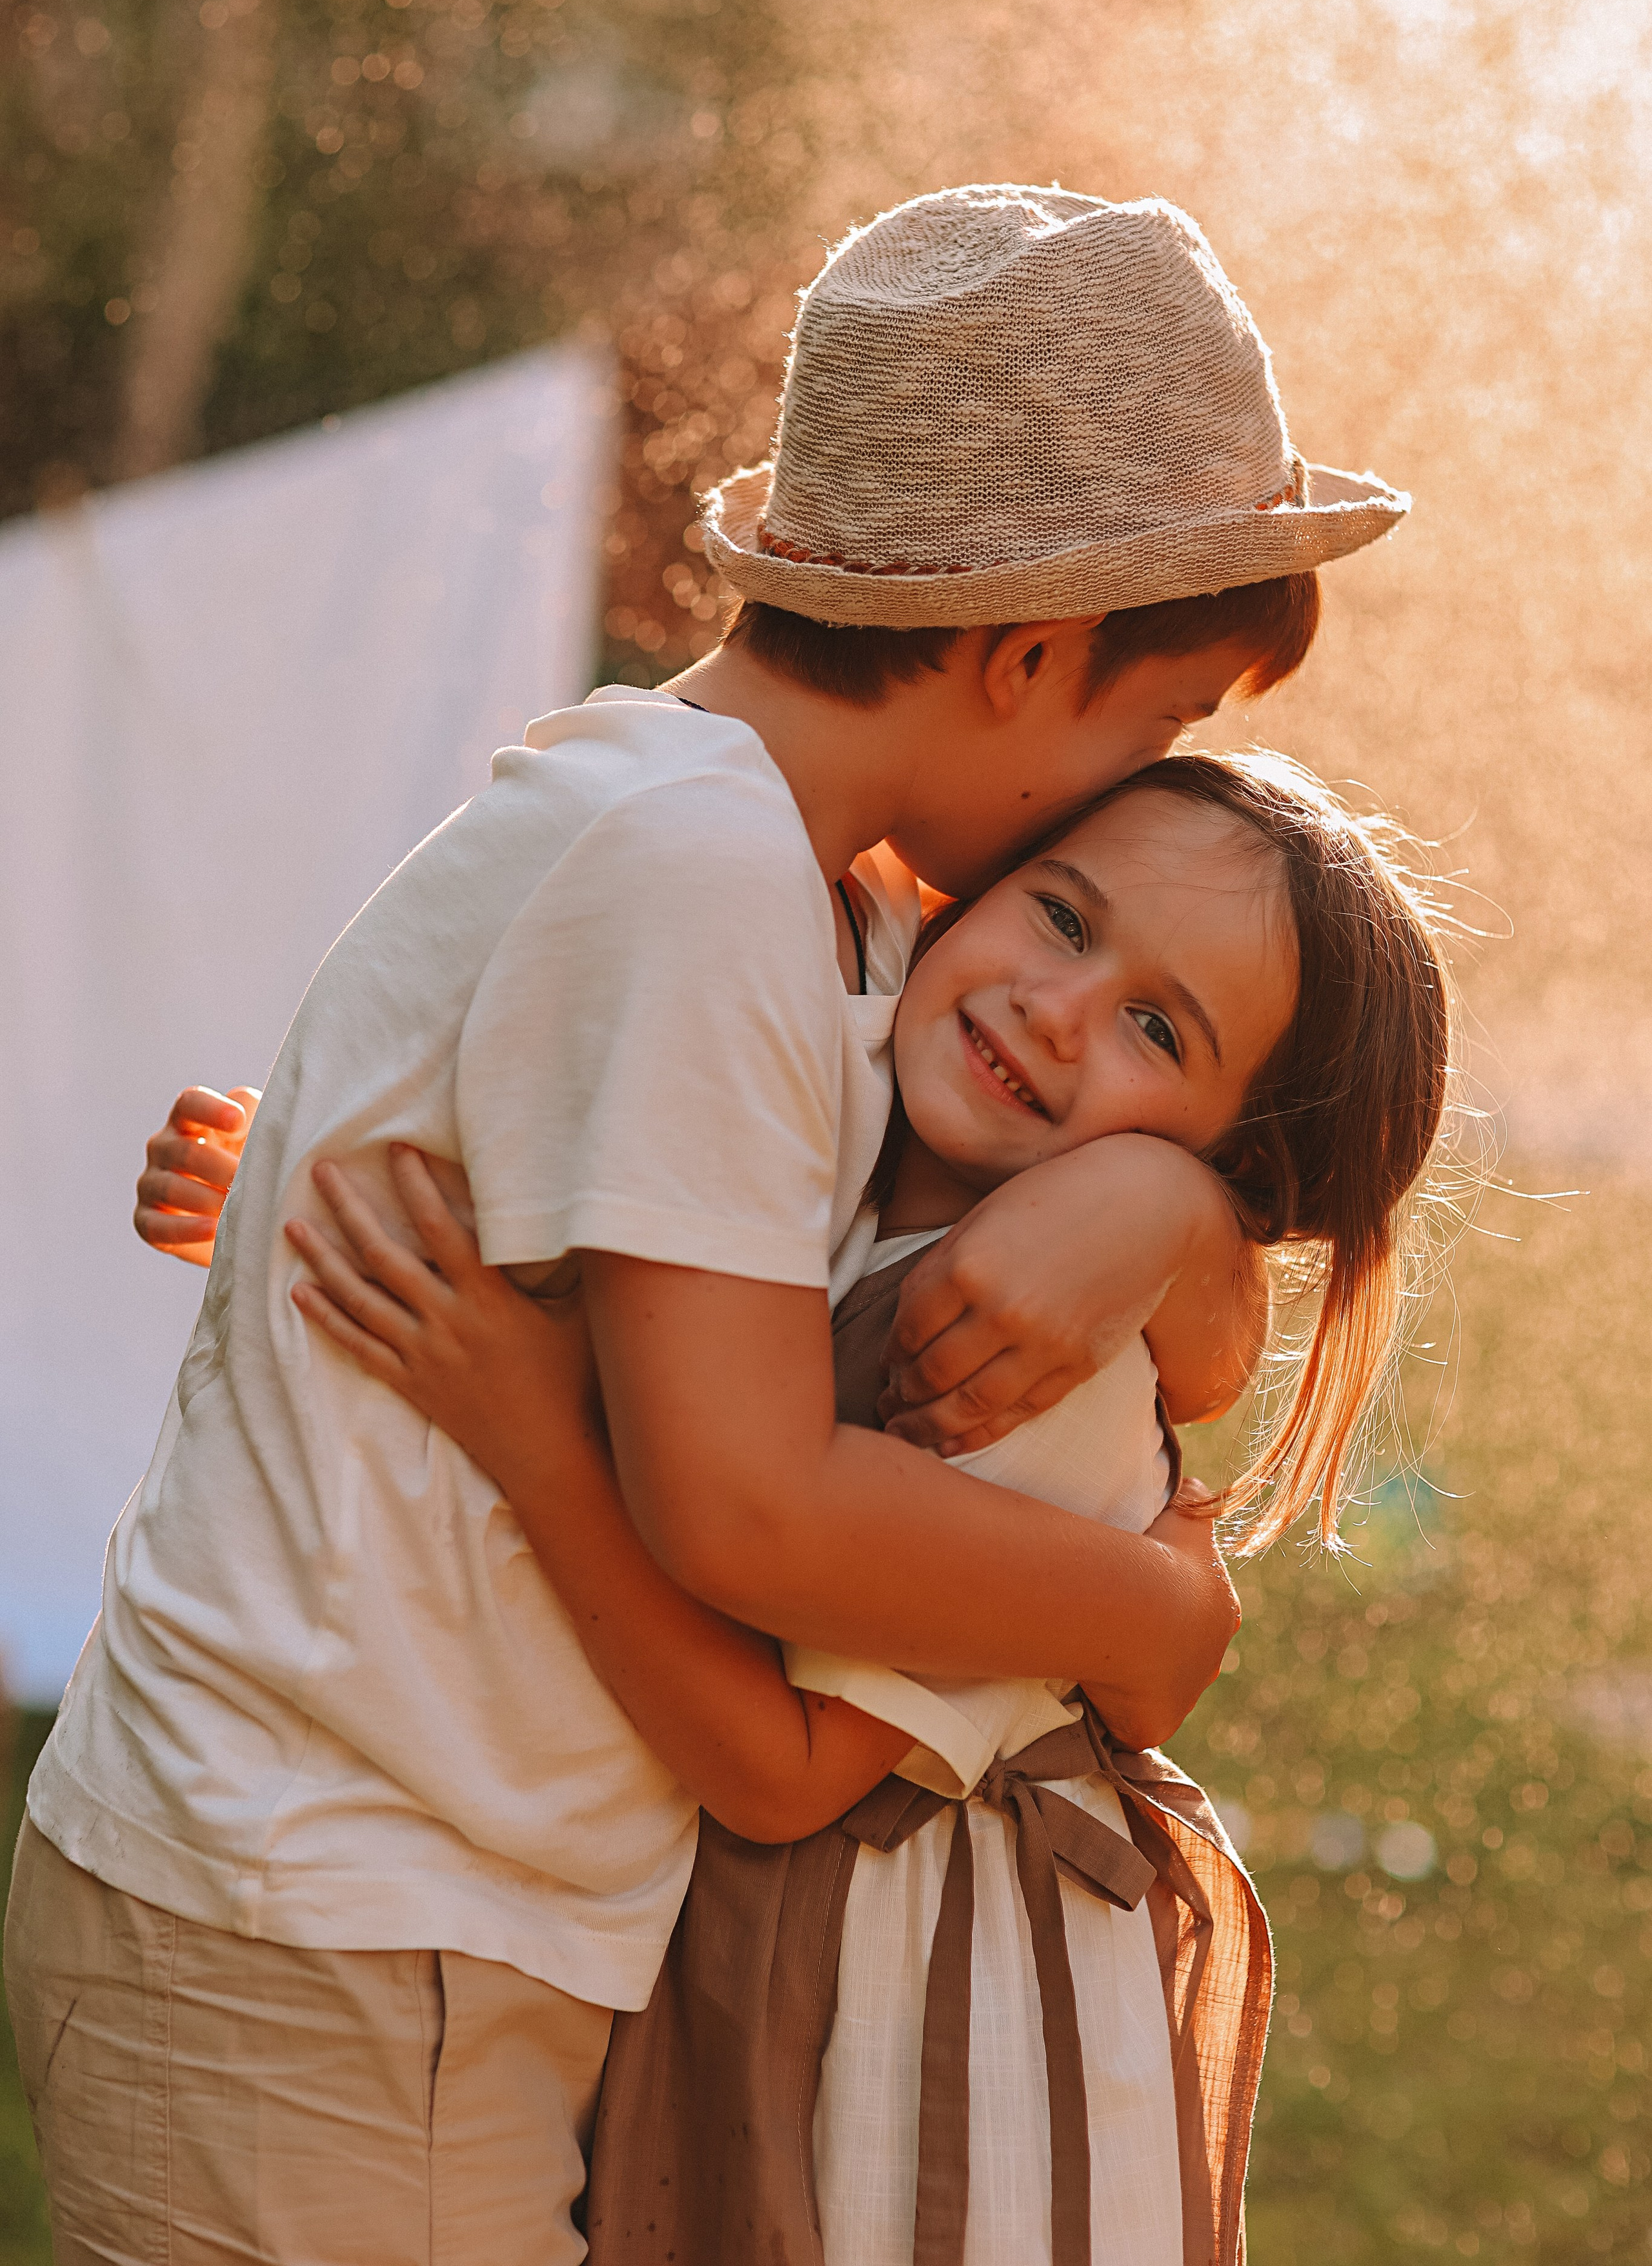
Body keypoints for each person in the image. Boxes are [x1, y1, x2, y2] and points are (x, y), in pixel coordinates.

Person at [5, 185, 1408, 2265]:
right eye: (1155, 731)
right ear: (1028, 658)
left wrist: (1172, 1207)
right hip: (340, 1916)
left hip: (347, 1900)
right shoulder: (706, 884)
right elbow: (747, 1505)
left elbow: (740, 1220)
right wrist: (1153, 1619)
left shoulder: (769, 859)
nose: (1141, 792)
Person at [277, 749, 1453, 2266]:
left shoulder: (1024, 1367)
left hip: (921, 2029)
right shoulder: (843, 1129)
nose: (1053, 1006)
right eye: (1062, 918)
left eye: (1154, 1029)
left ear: (1233, 1166)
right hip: (775, 1972)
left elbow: (780, 1772)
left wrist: (523, 1424)